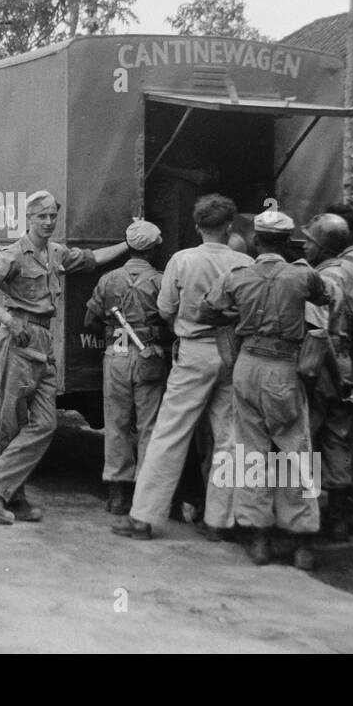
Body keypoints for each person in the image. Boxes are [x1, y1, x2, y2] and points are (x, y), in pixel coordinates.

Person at [0, 191, 129, 524]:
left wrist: (128, 244)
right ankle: (11, 497)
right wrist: (8, 320)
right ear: (29, 218)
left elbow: (93, 259)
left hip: (43, 342)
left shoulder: (56, 253)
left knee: (45, 423)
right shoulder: (13, 255)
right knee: (12, 424)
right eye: (42, 216)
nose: (49, 222)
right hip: (18, 341)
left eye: (53, 216)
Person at [113, 195, 253, 542]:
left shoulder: (182, 260)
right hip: (231, 352)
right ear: (229, 226)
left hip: (193, 351)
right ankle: (220, 521)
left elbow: (164, 309)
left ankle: (143, 518)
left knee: (170, 433)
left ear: (196, 226)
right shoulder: (244, 262)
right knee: (230, 437)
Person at [199, 211, 329, 569]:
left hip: (246, 365)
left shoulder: (238, 276)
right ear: (287, 243)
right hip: (285, 367)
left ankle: (258, 539)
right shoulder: (303, 275)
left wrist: (239, 319)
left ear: (256, 240)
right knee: (295, 449)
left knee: (250, 451)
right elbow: (325, 298)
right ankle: (302, 540)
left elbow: (207, 310)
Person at [83, 220, 170, 516]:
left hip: (116, 354)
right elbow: (172, 321)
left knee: (117, 423)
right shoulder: (160, 281)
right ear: (154, 250)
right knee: (149, 427)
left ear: (129, 246)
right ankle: (144, 497)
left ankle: (117, 494)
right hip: (150, 355)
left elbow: (89, 321)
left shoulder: (108, 280)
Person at [299, 214, 353, 542]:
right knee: (341, 438)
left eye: (310, 241)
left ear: (324, 246)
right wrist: (352, 375)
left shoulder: (320, 278)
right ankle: (339, 520)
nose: (305, 246)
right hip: (347, 360)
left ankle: (304, 520)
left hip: (323, 363)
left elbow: (320, 332)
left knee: (307, 439)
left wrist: (328, 374)